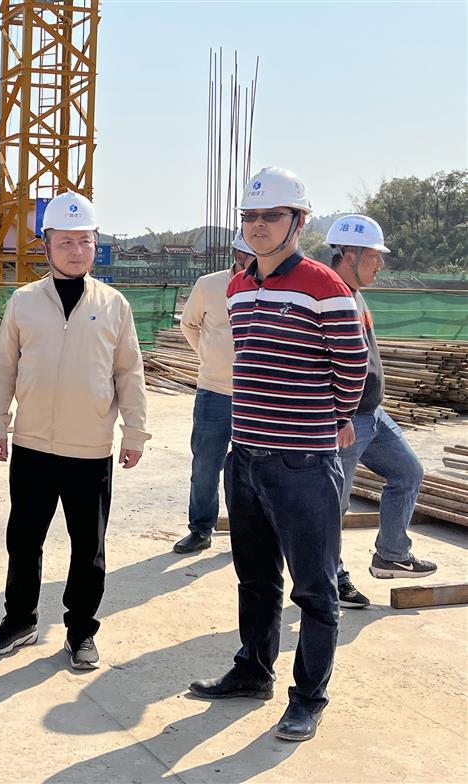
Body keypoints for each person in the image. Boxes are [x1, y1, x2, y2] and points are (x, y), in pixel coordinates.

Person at [189, 167, 368, 743]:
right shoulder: (237, 288)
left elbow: (353, 369)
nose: (259, 225)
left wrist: (330, 421)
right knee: (255, 578)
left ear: (299, 221)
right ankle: (253, 670)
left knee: (313, 588)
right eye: (251, 216)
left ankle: (308, 698)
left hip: (302, 464)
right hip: (245, 458)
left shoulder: (325, 286)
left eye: (272, 216)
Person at [0, 191, 150, 670]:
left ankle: (80, 632)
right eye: (65, 242)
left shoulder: (114, 305)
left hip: (90, 448)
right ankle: (20, 620)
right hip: (32, 445)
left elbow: (129, 373)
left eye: (85, 241)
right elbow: (4, 368)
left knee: (88, 548)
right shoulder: (24, 302)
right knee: (24, 540)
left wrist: (134, 432)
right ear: (47, 245)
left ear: (95, 243)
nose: (76, 251)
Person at [325, 214, 436, 599]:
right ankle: (331, 577)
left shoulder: (354, 293)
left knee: (408, 472)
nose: (381, 263)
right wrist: (338, 416)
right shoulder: (330, 297)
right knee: (335, 503)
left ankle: (391, 554)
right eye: (374, 256)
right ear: (349, 255)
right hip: (347, 420)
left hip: (372, 415)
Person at [174, 230, 254, 554]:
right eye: (252, 257)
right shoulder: (209, 286)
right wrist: (208, 357)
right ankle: (200, 529)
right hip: (214, 393)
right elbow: (188, 324)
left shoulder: (271, 288)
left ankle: (249, 533)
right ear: (238, 254)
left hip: (256, 397)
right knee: (205, 467)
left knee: (251, 470)